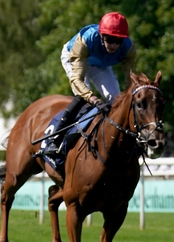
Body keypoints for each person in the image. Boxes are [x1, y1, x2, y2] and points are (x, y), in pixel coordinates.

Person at [44, 12, 137, 156]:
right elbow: (78, 80)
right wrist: (95, 100)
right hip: (74, 57)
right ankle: (54, 140)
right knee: (83, 97)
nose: (113, 45)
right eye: (109, 39)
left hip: (100, 64)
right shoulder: (86, 40)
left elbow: (130, 82)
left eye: (118, 40)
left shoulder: (129, 49)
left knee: (116, 99)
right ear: (101, 35)